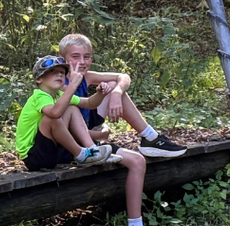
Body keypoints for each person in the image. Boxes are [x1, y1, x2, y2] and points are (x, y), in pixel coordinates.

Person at [15, 55, 165, 226]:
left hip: (51, 152)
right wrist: (72, 85)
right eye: (52, 72)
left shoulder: (59, 96)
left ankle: (87, 151)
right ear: (38, 79)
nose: (59, 75)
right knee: (56, 115)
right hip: (34, 156)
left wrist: (100, 93)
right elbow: (55, 113)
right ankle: (82, 154)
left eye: (61, 72)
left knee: (71, 107)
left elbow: (88, 103)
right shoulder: (40, 96)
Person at [57, 33, 186, 159]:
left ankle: (150, 137)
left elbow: (123, 77)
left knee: (113, 84)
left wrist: (117, 93)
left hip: (87, 125)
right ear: (62, 59)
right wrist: (100, 134)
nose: (82, 62)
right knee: (135, 161)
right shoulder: (58, 83)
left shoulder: (87, 76)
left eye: (86, 57)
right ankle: (149, 138)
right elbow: (69, 129)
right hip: (72, 141)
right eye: (75, 57)